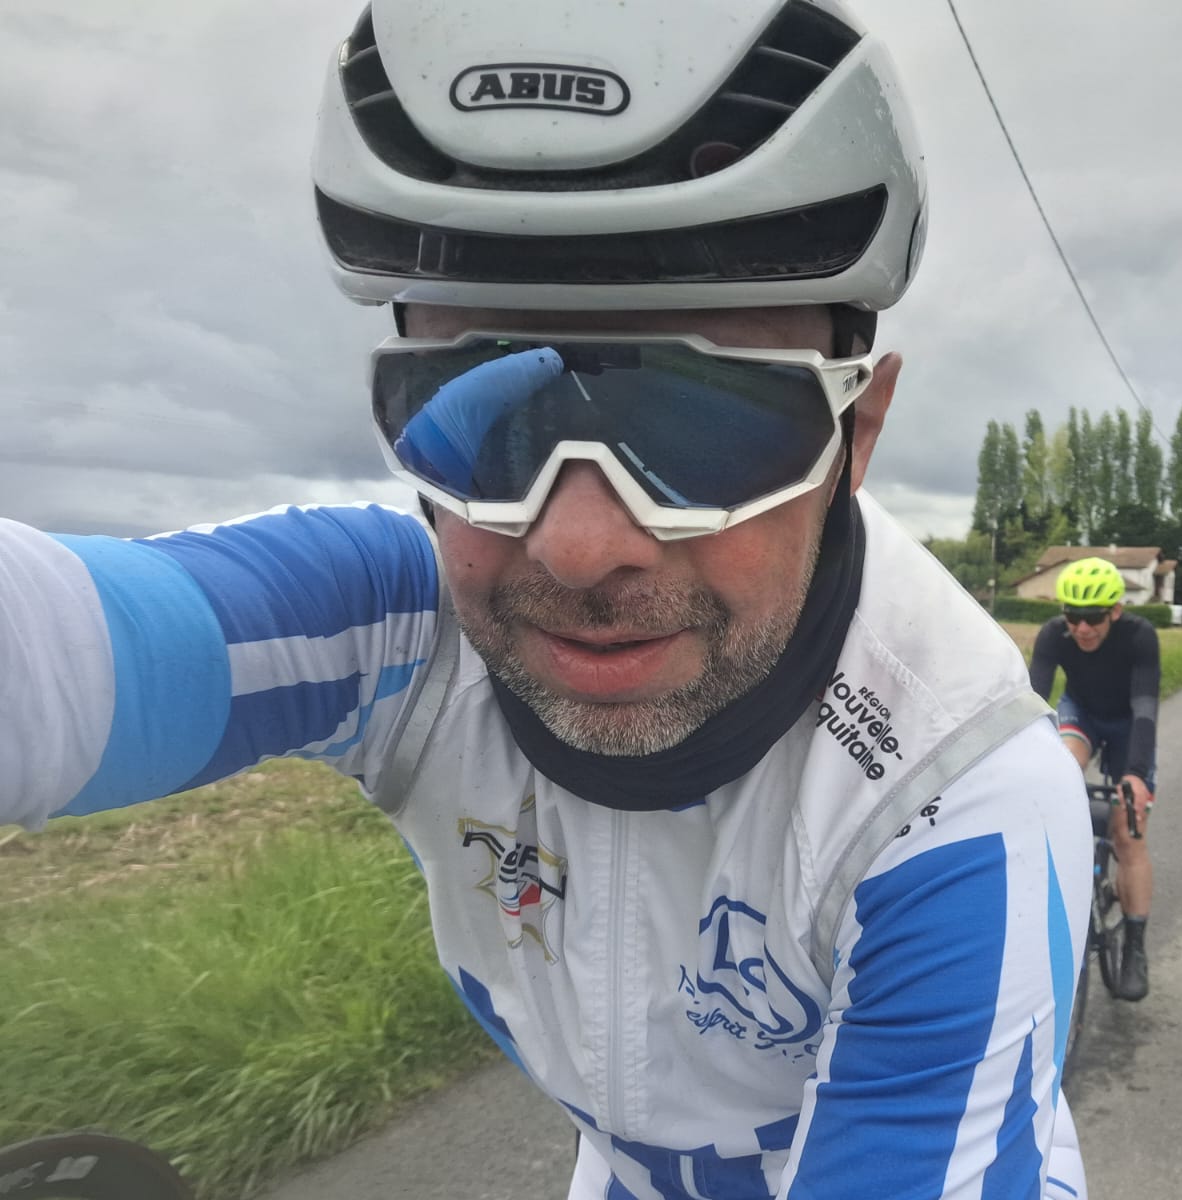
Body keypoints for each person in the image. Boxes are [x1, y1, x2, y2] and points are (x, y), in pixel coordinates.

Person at [0, 2, 1094, 1197]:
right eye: (484, 421)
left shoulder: (950, 790)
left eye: (706, 429)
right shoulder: (398, 620)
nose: (577, 549)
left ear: (858, 435)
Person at [1027, 557, 1160, 1002]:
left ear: (1115, 611)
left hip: (1128, 725)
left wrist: (1135, 776)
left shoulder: (1140, 636)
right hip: (1081, 713)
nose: (1082, 628)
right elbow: (1034, 701)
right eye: (1073, 615)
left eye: (1093, 617)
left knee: (1128, 834)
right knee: (1060, 770)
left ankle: (1135, 947)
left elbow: (1145, 708)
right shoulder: (1054, 635)